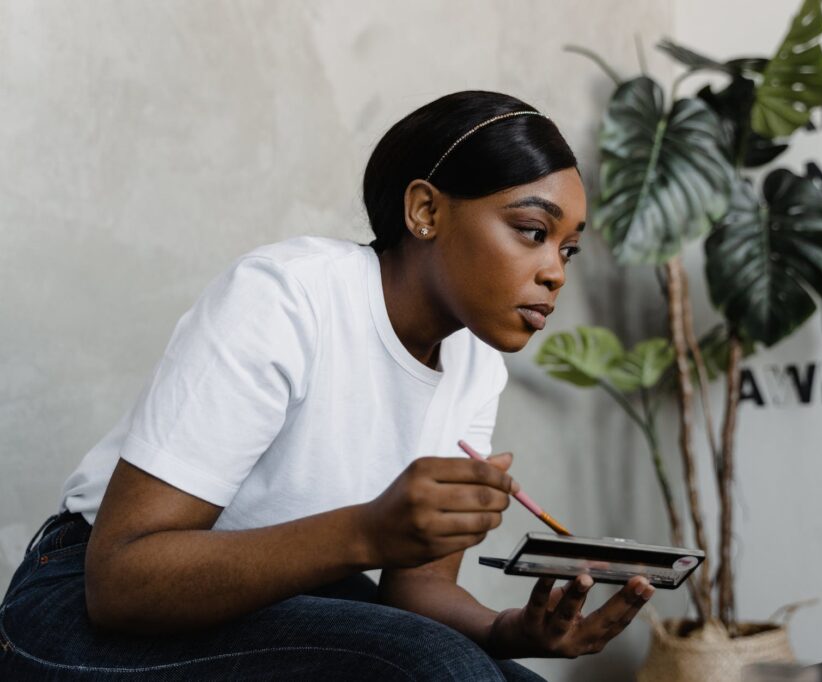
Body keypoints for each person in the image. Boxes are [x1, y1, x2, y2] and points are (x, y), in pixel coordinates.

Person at [0, 90, 655, 680]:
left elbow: (416, 591)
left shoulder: (476, 365)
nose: (554, 273)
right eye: (533, 232)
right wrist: (367, 532)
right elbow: (120, 582)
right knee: (438, 669)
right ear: (426, 211)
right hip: (78, 599)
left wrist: (508, 630)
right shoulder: (288, 297)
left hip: (292, 599)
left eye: (567, 249)